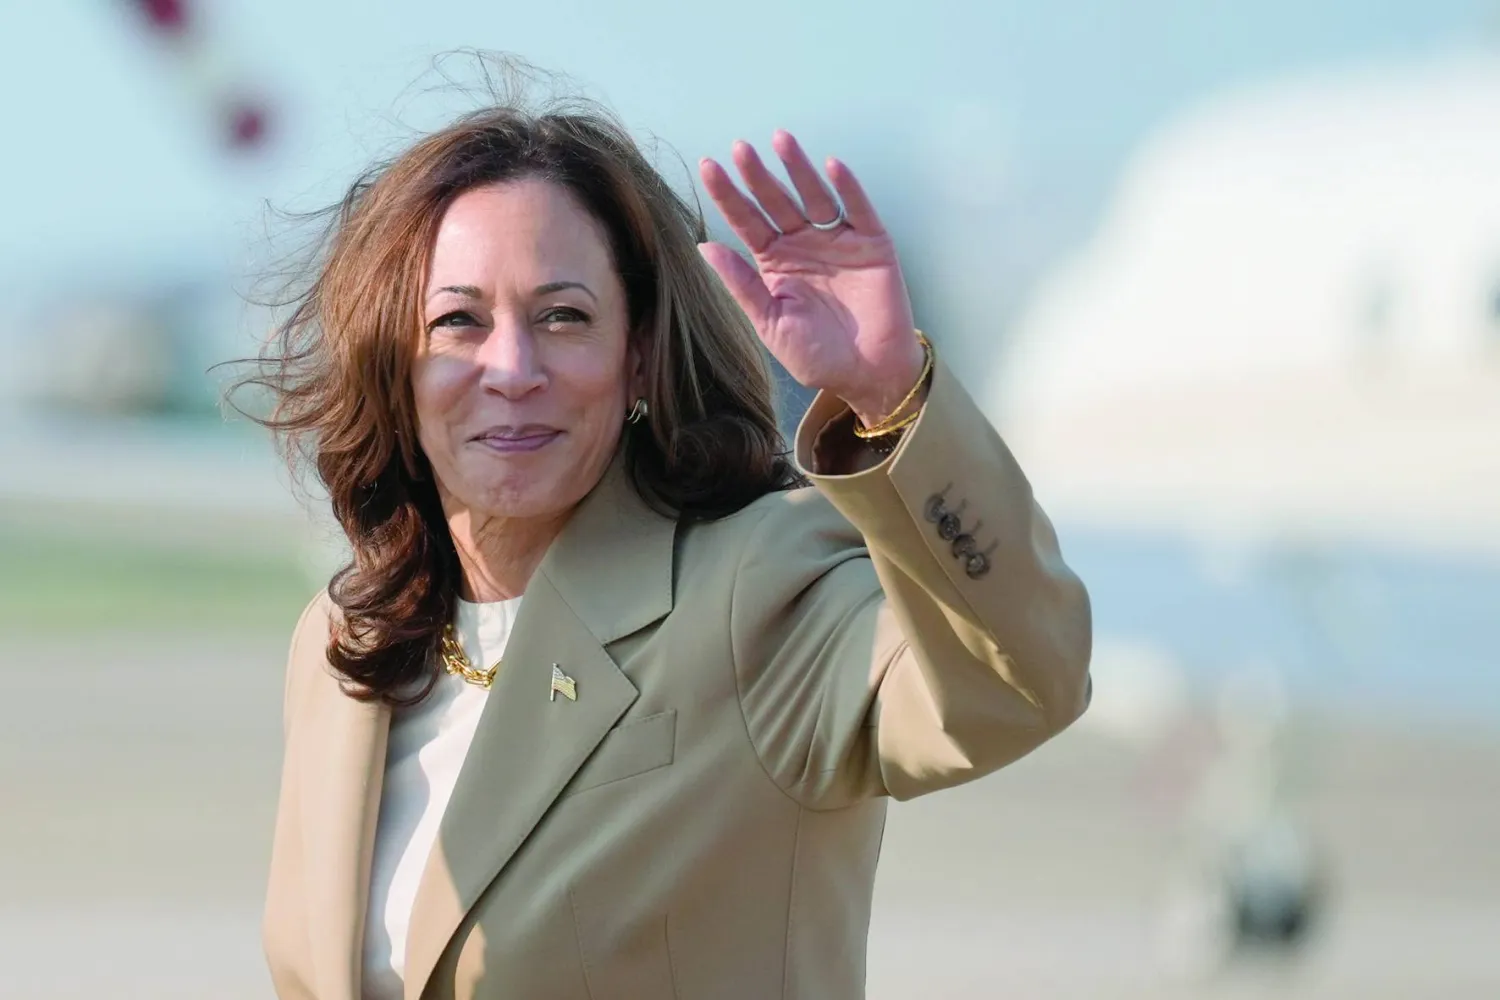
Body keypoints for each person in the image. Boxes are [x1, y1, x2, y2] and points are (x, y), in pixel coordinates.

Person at [250, 84, 1092, 1000]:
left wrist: (891, 397)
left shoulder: (753, 587)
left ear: (639, 354)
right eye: (459, 321)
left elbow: (1020, 685)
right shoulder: (343, 649)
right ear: (394, 361)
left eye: (563, 317)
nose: (513, 370)